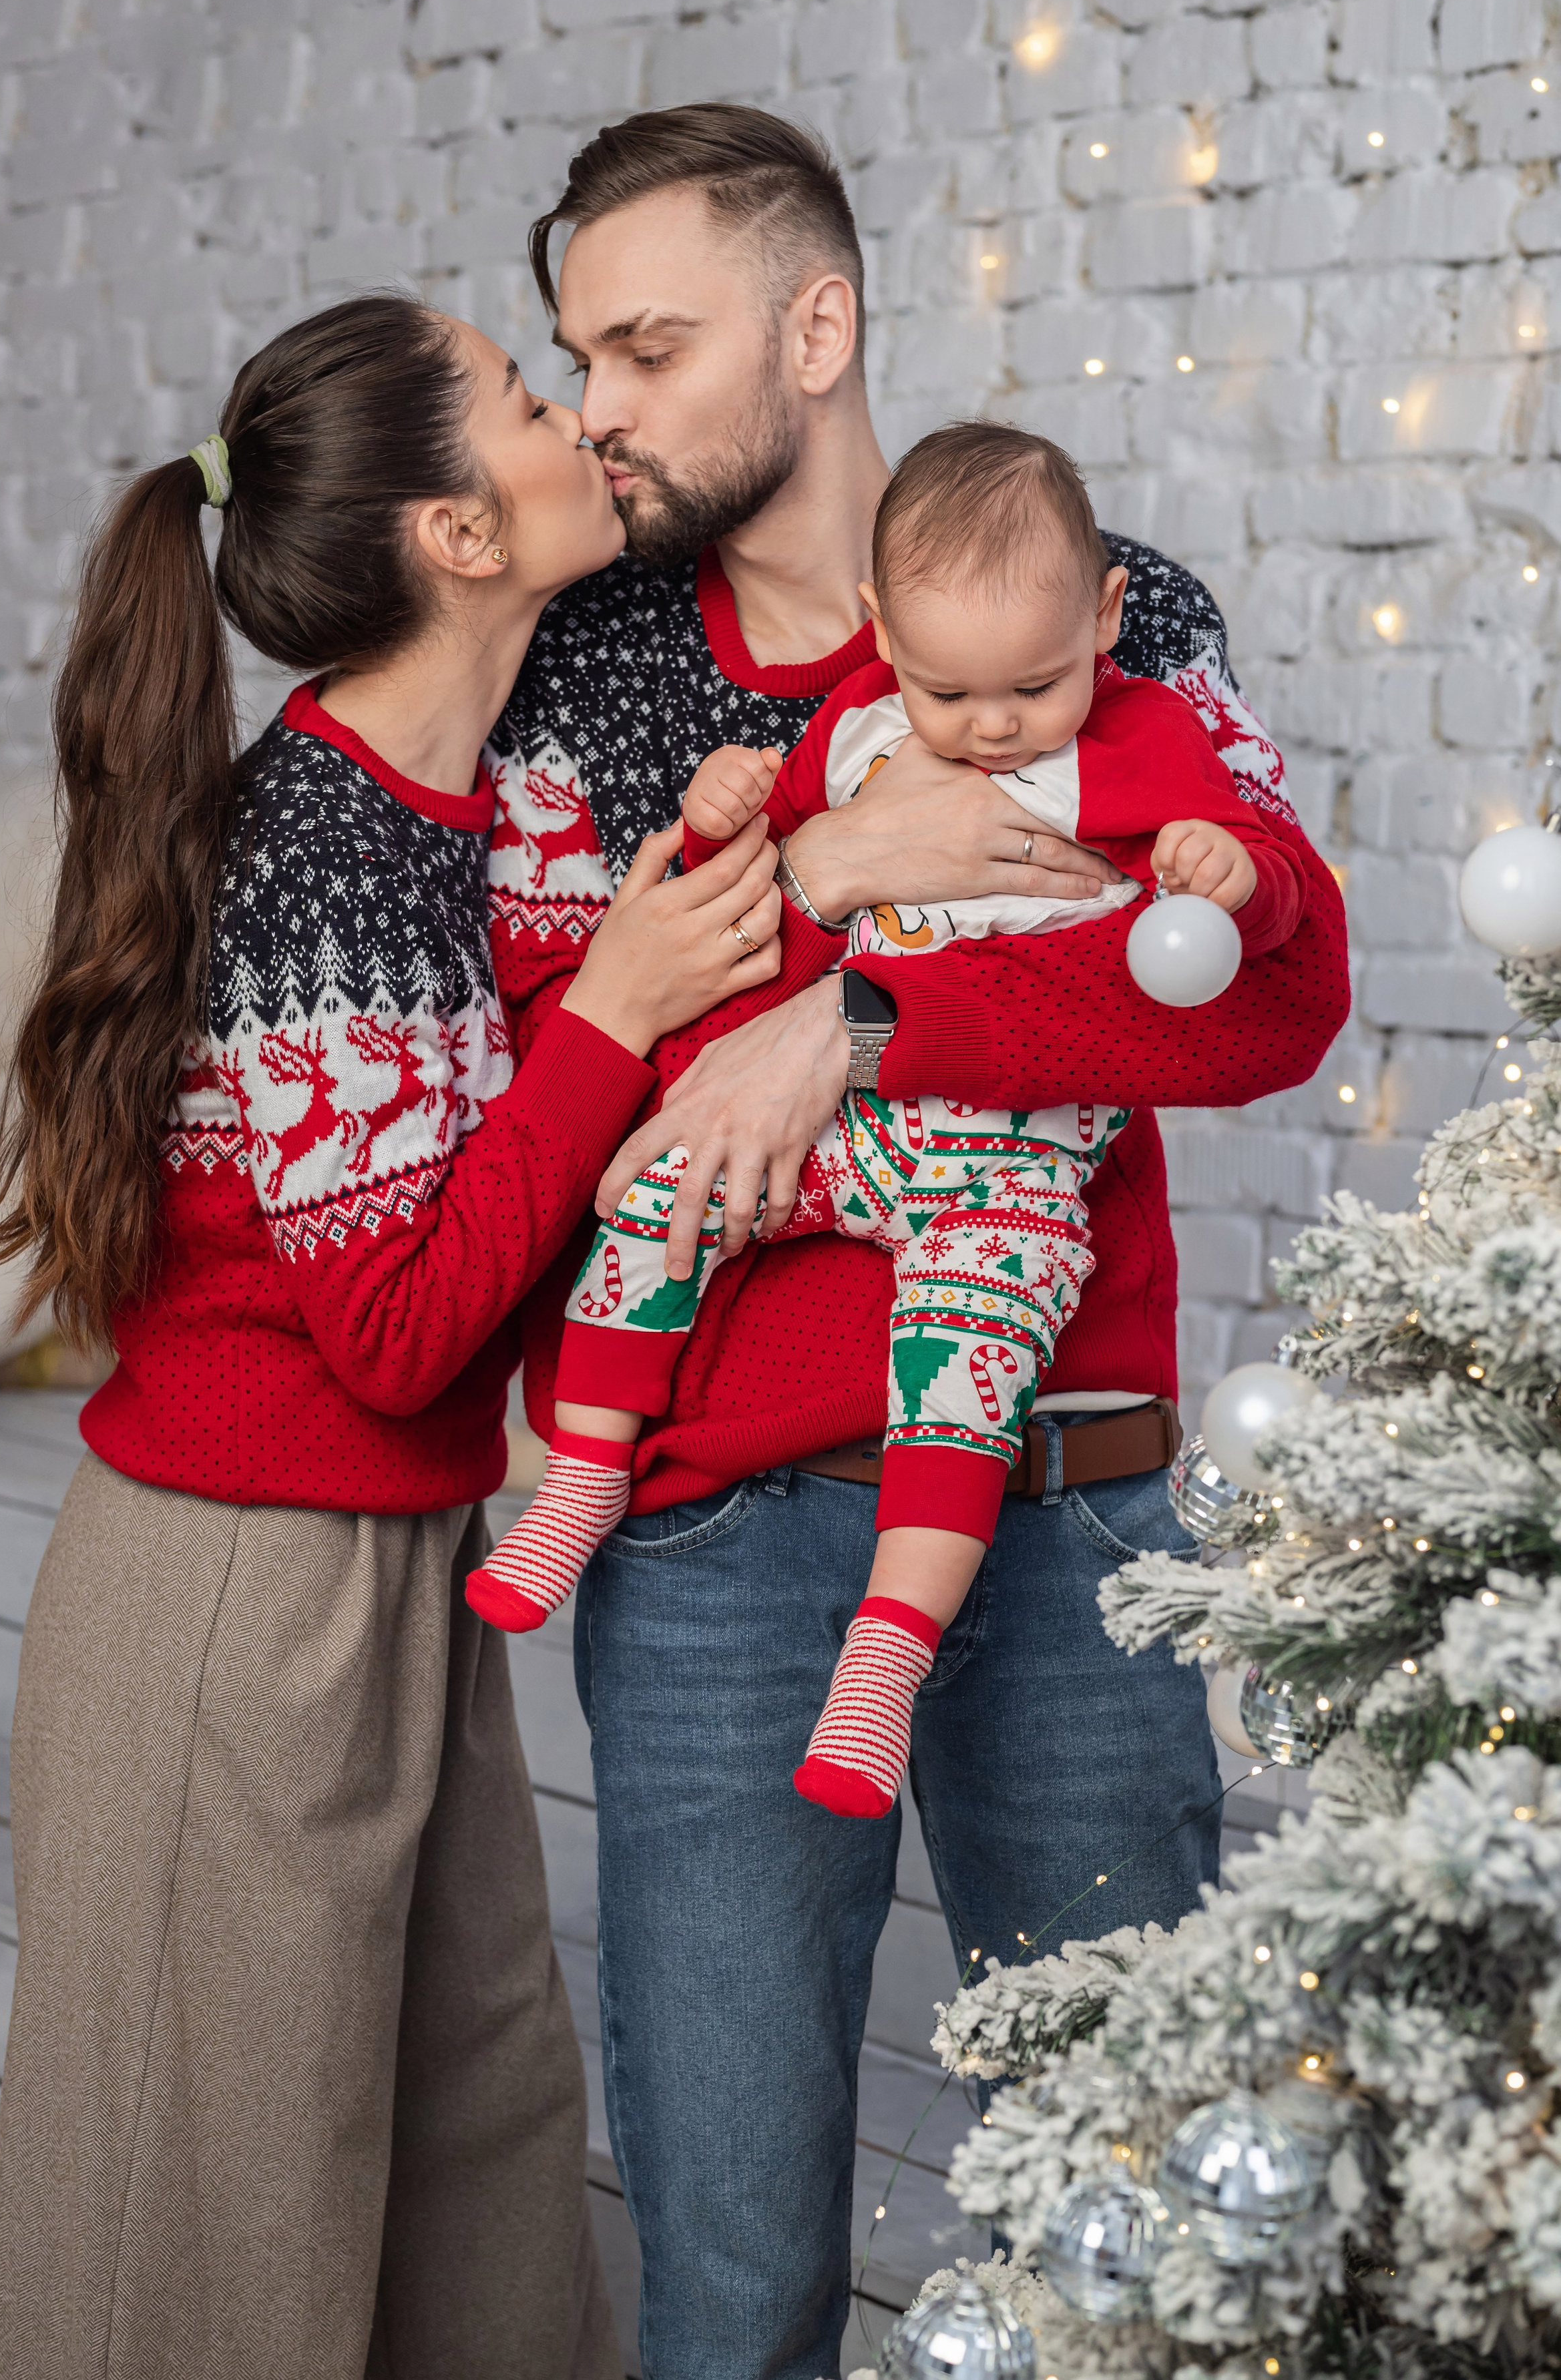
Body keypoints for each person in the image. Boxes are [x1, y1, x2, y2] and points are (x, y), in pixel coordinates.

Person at [486, 104, 1352, 2380]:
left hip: (1072, 1496)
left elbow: (1264, 997)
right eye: (579, 359)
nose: (603, 409)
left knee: (1147, 2226)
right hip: (717, 1546)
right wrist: (847, 874)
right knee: (738, 2262)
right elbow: (573, 1098)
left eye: (650, 346)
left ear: (819, 321)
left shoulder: (1109, 608)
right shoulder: (584, 684)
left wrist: (859, 1019)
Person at [0, 291, 787, 2380]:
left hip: (388, 1564)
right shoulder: (328, 844)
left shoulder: (460, 800)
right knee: (207, 2236)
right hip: (237, 1592)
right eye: (528, 396)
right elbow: (406, 1328)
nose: (583, 414)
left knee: (477, 2173)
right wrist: (611, 1008)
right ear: (457, 532)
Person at [471, 421, 1310, 1825]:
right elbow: (741, 886)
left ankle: (884, 1650)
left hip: (1008, 1161)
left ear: (1104, 619)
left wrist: (1233, 876)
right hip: (855, 1142)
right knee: (667, 1189)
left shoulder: (1139, 737)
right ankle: (583, 1473)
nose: (988, 726)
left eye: (1031, 687)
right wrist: (738, 808)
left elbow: (1275, 938)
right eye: (947, 690)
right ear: (881, 631)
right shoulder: (860, 720)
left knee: (963, 1367)